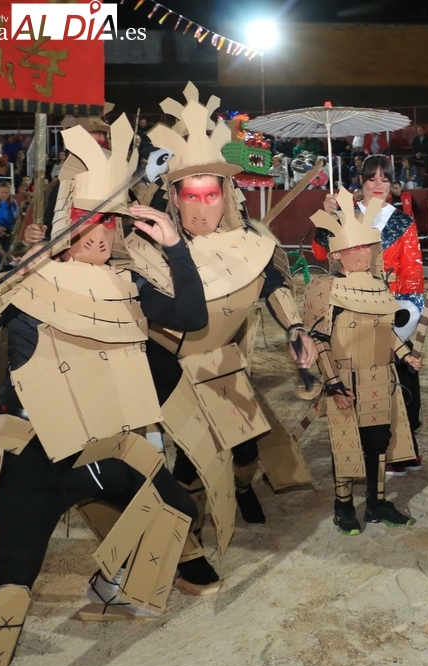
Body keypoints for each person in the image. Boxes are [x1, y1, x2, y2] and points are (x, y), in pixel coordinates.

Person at [0, 116, 207, 666]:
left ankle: (110, 587)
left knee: (175, 509)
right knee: (15, 572)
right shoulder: (24, 281)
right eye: (83, 223)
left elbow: (190, 317)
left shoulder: (129, 288)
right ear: (61, 224)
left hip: (108, 450)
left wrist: (175, 248)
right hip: (35, 452)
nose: (98, 235)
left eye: (109, 224)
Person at [135, 84, 318, 592]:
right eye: (189, 196)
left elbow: (274, 283)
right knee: (190, 460)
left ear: (226, 194)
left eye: (210, 194)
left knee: (245, 453)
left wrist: (296, 328)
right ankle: (185, 538)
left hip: (223, 363)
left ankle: (239, 489)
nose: (200, 208)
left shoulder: (252, 241)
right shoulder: (148, 249)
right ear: (172, 196)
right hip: (168, 367)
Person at [307, 189, 422, 533]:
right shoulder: (323, 288)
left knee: (378, 442)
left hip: (379, 378)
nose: (367, 253)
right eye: (357, 248)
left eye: (368, 246)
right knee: (346, 446)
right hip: (344, 380)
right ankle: (343, 506)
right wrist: (332, 384)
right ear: (339, 254)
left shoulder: (379, 286)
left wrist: (406, 355)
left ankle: (377, 503)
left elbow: (386, 332)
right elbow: (319, 341)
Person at [318, 155, 426, 476]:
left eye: (383, 179)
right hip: (353, 307)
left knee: (401, 376)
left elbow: (412, 272)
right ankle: (362, 448)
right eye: (371, 179)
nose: (377, 185)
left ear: (391, 184)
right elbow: (323, 254)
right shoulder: (344, 214)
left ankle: (402, 451)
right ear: (361, 181)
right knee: (357, 376)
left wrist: (406, 314)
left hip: (392, 308)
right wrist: (326, 218)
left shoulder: (402, 222)